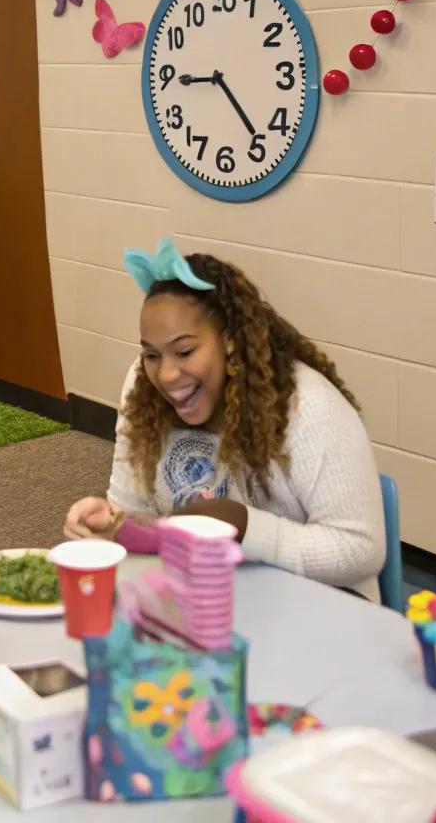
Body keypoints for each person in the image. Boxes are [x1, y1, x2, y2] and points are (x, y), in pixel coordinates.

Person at [64, 239, 386, 601]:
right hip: (208, 596)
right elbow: (135, 511)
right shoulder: (143, 388)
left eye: (185, 351)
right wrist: (113, 522)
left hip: (320, 605)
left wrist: (243, 524)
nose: (166, 374)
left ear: (229, 342)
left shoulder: (307, 406)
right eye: (152, 354)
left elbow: (361, 551)